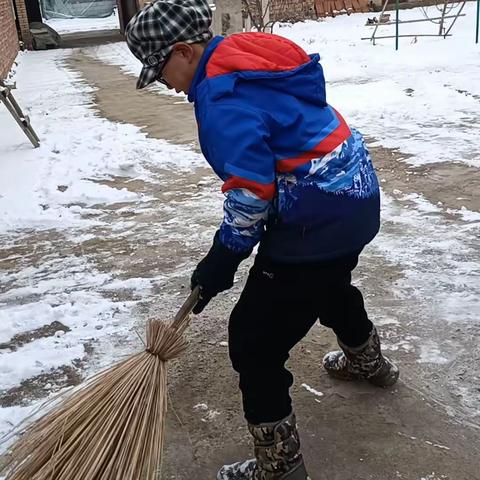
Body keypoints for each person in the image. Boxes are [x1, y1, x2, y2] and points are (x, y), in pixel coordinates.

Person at [126, 1, 399, 478]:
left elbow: (251, 195)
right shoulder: (248, 53)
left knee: (253, 341)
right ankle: (369, 363)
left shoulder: (222, 99)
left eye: (160, 69)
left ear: (184, 51)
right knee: (330, 285)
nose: (164, 84)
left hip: (314, 222)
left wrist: (222, 257)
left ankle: (279, 465)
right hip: (354, 195)